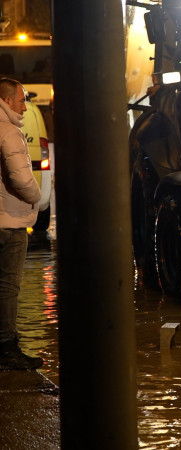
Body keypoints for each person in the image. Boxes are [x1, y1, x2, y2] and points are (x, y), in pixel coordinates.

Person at [0, 78, 43, 370]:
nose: (25, 106)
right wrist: (36, 197)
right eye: (21, 99)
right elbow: (20, 178)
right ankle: (7, 349)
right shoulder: (9, 132)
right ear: (6, 100)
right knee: (8, 286)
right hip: (9, 221)